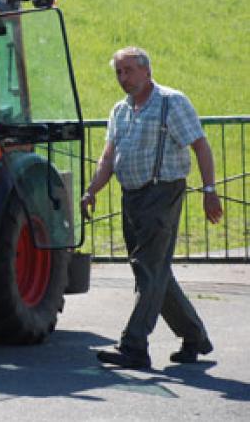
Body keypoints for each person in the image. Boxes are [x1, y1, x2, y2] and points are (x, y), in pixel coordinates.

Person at [81, 46, 223, 369]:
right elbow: (108, 156)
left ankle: (134, 346)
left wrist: (209, 190)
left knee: (149, 269)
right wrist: (91, 190)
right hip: (131, 196)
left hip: (163, 193)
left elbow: (200, 144)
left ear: (147, 71)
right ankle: (195, 336)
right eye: (119, 72)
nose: (123, 78)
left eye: (128, 70)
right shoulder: (120, 109)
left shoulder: (172, 102)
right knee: (154, 273)